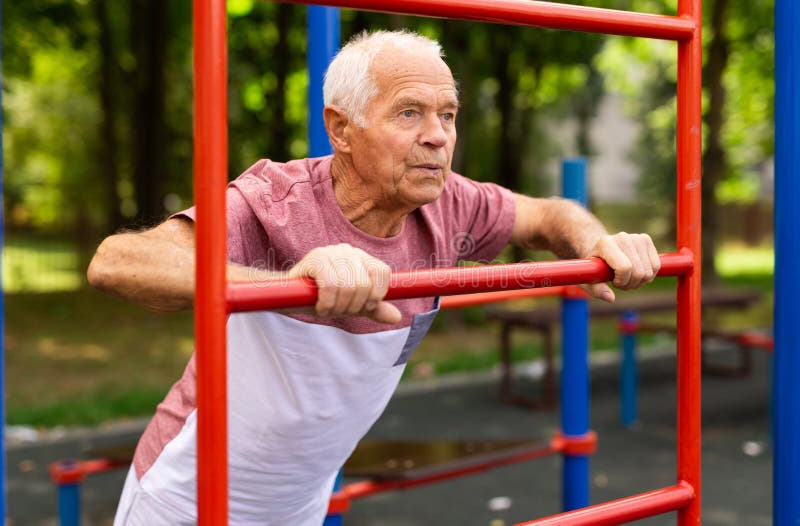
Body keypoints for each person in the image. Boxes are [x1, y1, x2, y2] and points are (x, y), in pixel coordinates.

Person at [88, 30, 661, 526]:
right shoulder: (275, 201)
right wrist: (290, 283)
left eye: (449, 114)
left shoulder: (449, 203)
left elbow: (547, 214)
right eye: (410, 112)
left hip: (300, 502)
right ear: (341, 129)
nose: (438, 135)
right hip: (187, 498)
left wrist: (594, 240)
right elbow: (117, 262)